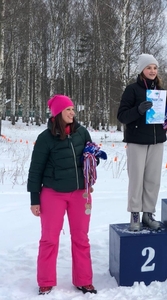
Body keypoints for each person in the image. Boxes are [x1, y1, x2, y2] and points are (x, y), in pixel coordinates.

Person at [27, 95, 97, 295]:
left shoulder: (82, 133)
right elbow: (35, 170)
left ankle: (84, 280)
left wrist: (93, 162)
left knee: (81, 238)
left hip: (79, 194)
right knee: (49, 239)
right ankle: (46, 281)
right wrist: (34, 199)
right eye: (68, 110)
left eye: (73, 110)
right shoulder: (45, 138)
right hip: (52, 194)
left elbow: (89, 160)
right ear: (58, 113)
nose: (72, 113)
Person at [117, 53, 167, 231]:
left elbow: (164, 119)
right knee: (136, 179)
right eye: (148, 67)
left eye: (155, 68)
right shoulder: (132, 89)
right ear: (142, 69)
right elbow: (122, 116)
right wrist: (138, 110)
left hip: (157, 140)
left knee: (153, 180)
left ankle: (148, 213)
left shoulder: (159, 91)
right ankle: (135, 214)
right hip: (137, 141)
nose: (152, 71)